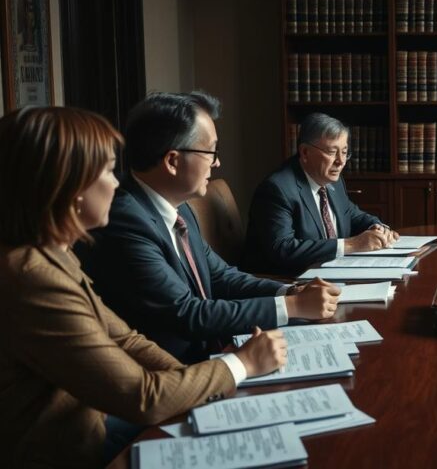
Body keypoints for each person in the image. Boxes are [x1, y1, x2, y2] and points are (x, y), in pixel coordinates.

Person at [0, 107, 287, 468]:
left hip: (95, 423)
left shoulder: (55, 254)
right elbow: (142, 397)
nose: (117, 182)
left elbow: (126, 340)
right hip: (70, 450)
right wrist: (240, 365)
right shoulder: (32, 278)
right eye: (106, 170)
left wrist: (200, 388)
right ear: (67, 187)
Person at [78, 92, 339, 363]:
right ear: (172, 161)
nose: (217, 162)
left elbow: (221, 276)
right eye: (211, 151)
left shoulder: (178, 208)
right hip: (178, 373)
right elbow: (186, 313)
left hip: (217, 352)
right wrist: (291, 307)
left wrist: (290, 291)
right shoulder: (125, 221)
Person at [244, 112, 397, 277]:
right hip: (288, 282)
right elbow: (283, 249)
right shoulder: (277, 189)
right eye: (332, 152)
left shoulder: (333, 180)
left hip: (331, 275)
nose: (340, 161)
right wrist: (351, 245)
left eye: (344, 152)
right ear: (304, 152)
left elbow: (351, 214)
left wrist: (377, 228)